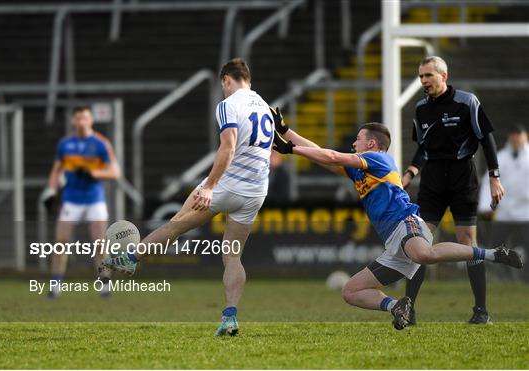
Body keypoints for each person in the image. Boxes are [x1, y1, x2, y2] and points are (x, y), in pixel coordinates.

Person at [271, 117, 522, 330]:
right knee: (350, 291)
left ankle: (493, 253)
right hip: (393, 243)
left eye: (357, 138)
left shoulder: (379, 159)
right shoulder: (360, 169)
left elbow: (333, 155)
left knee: (423, 253)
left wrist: (291, 149)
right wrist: (285, 131)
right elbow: (322, 155)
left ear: (370, 143)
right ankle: (395, 306)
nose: (353, 143)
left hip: (406, 222)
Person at [101, 58, 274, 336]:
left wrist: (210, 186)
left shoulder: (228, 104)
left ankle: (132, 256)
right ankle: (229, 317)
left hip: (227, 185)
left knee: (178, 223)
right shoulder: (265, 107)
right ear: (249, 81)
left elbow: (228, 148)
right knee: (232, 256)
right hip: (256, 191)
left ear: (226, 80)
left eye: (224, 86)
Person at [400, 56, 505, 325]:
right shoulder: (421, 108)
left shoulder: (467, 102)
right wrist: (411, 172)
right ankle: (408, 309)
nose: (423, 81)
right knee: (419, 244)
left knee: (467, 243)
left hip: (462, 177)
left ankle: (481, 311)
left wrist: (494, 177)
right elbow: (423, 148)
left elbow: (487, 139)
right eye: (421, 76)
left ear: (443, 76)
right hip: (433, 180)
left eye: (428, 76)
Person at [41, 106, 121, 298]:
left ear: (91, 120)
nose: (81, 122)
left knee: (100, 244)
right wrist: (51, 191)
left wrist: (94, 173)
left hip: (94, 199)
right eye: (78, 118)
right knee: (60, 243)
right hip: (71, 200)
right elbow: (56, 170)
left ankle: (104, 286)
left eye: (85, 118)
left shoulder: (101, 144)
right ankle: (55, 287)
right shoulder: (66, 144)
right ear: (73, 121)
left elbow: (115, 172)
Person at [478, 125, 529, 281]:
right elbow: (489, 182)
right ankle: (503, 276)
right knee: (496, 246)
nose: (516, 139)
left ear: (525, 137)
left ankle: (526, 279)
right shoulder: (500, 158)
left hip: (526, 212)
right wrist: (486, 206)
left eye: (519, 136)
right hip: (505, 211)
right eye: (513, 136)